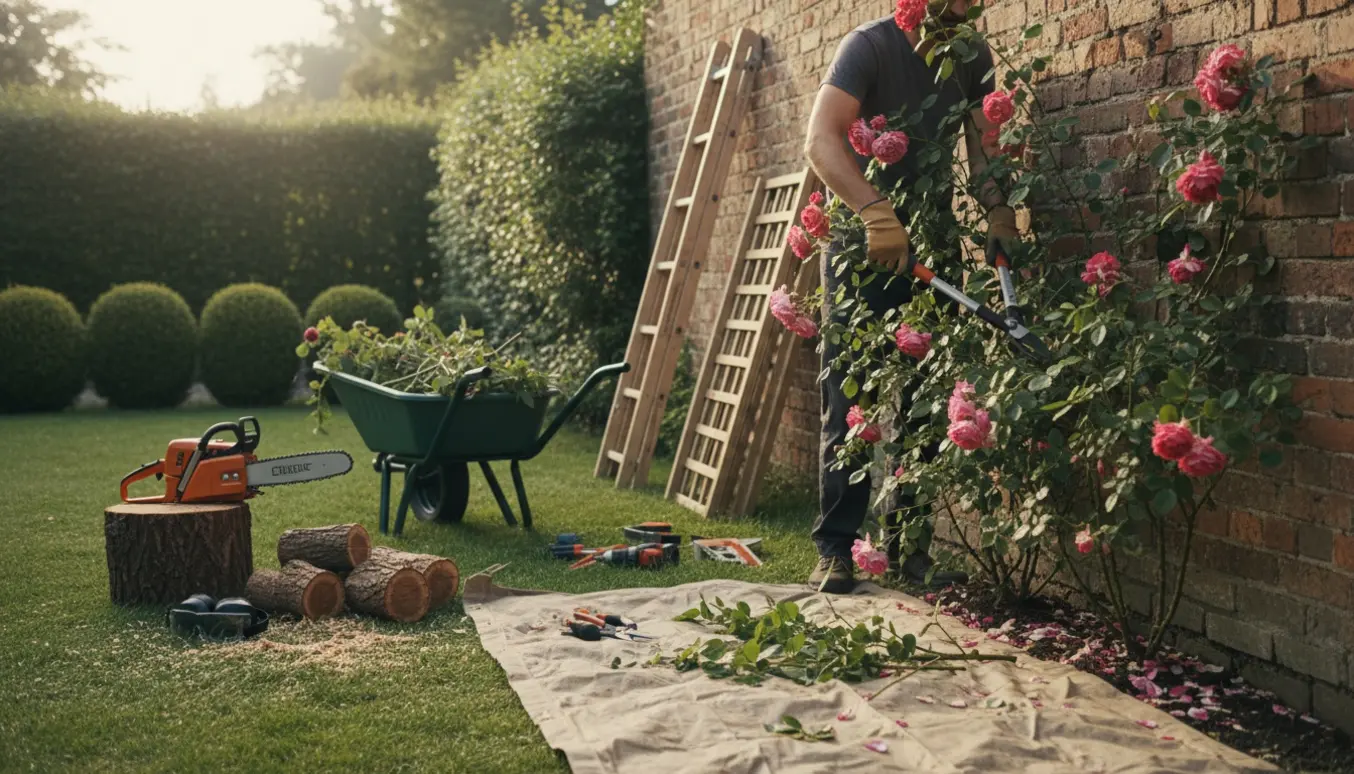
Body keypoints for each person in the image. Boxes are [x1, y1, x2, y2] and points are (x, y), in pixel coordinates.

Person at [802, 0, 1020, 594]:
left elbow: (983, 149)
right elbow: (820, 141)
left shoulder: (971, 54)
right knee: (851, 394)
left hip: (933, 240)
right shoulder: (867, 47)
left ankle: (909, 551)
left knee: (927, 400)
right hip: (863, 245)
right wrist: (874, 212)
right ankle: (837, 550)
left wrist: (999, 207)